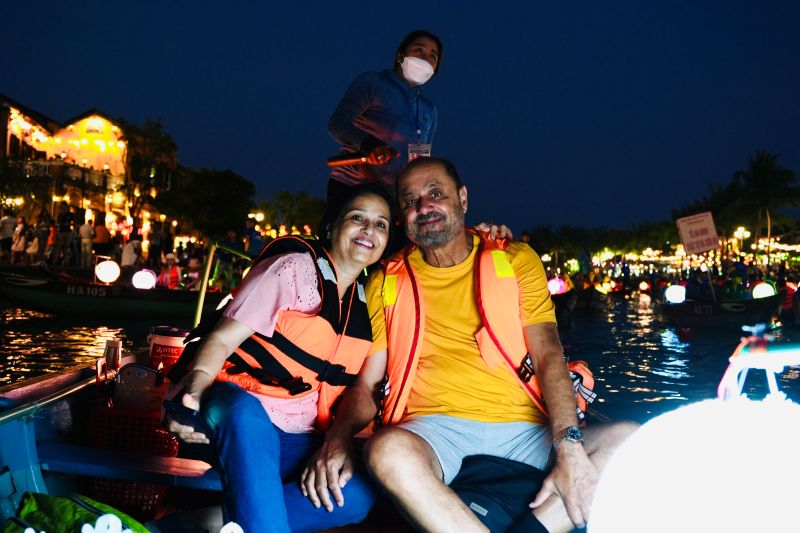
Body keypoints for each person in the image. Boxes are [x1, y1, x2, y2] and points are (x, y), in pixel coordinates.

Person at [306, 158, 637, 532]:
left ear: (462, 199)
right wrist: (336, 439)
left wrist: (570, 447)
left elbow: (548, 355)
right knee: (386, 451)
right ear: (402, 215)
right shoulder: (385, 281)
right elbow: (366, 385)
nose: (424, 207)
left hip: (525, 429)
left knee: (629, 442)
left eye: (435, 194)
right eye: (410, 200)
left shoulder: (515, 259)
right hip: (433, 432)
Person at [165, 184, 393, 532]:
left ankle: (195, 525)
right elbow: (222, 339)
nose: (368, 230)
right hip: (234, 407)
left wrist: (338, 440)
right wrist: (193, 390)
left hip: (298, 434)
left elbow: (366, 388)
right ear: (332, 227)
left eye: (381, 224)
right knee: (246, 414)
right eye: (357, 218)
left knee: (359, 492)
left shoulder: (367, 302)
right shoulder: (293, 268)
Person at [321, 30, 442, 234]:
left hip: (396, 201)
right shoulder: (373, 83)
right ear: (400, 55)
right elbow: (337, 123)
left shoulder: (430, 110)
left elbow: (421, 160)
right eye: (419, 49)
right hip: (354, 188)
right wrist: (369, 145)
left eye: (433, 56)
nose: (425, 57)